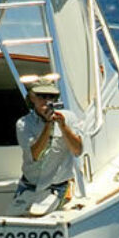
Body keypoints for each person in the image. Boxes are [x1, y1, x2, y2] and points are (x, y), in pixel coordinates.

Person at [8, 76, 84, 217]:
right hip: (29, 186)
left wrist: (62, 126)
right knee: (13, 218)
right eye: (42, 96)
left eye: (51, 96)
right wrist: (48, 125)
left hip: (58, 187)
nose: (47, 100)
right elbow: (35, 155)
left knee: (40, 216)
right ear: (32, 98)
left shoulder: (69, 118)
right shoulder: (23, 124)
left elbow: (77, 150)